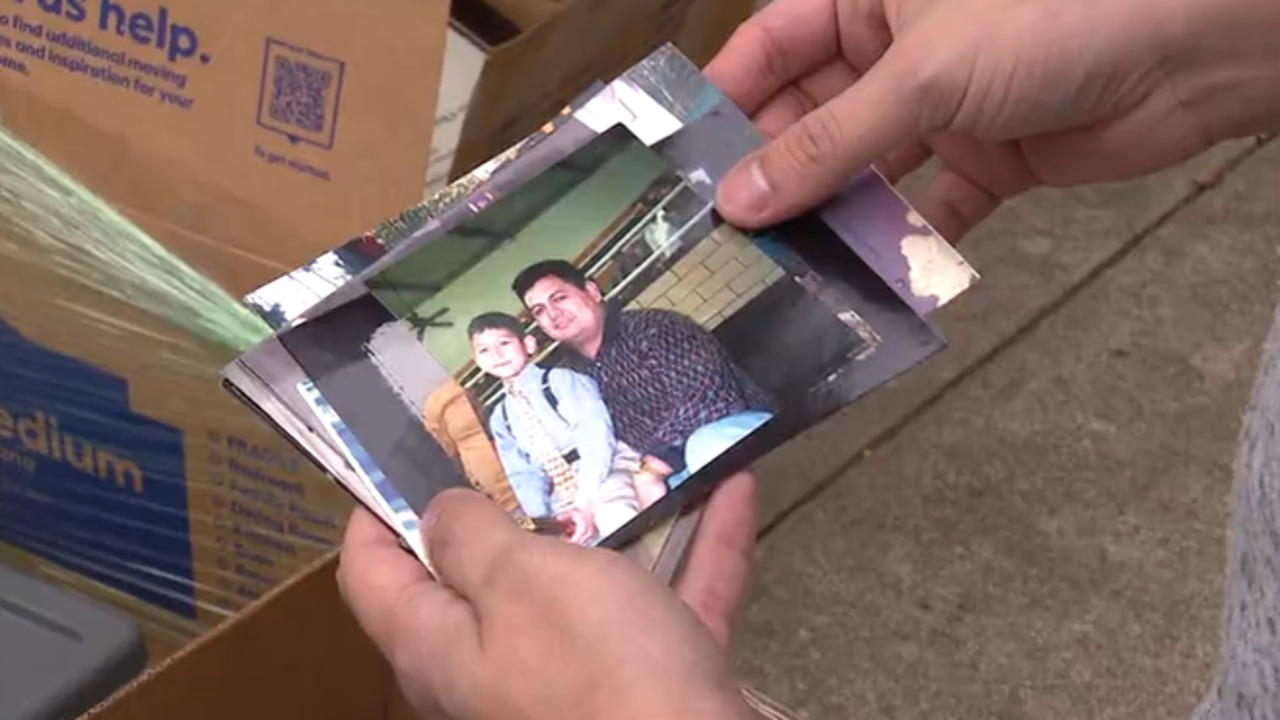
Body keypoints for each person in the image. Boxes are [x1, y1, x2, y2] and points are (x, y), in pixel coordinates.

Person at [337, 0, 1280, 718]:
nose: (541, 321)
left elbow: (692, 417)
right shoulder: (541, 391)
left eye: (550, 303)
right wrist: (1221, 49)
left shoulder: (646, 335)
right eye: (528, 317)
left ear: (585, 294)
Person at [510, 258, 777, 487]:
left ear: (592, 291)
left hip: (738, 435)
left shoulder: (654, 328)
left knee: (707, 446)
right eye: (539, 311)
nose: (553, 314)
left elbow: (709, 401)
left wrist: (654, 466)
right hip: (665, 476)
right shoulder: (568, 379)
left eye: (559, 298)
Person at [468, 311, 644, 545]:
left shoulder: (559, 380)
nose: (497, 355)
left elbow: (595, 436)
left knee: (617, 521)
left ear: (528, 345)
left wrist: (585, 501)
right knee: (569, 549)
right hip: (561, 492)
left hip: (603, 469)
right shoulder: (501, 417)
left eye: (504, 343)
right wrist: (545, 524)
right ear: (477, 360)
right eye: (484, 350)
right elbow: (523, 475)